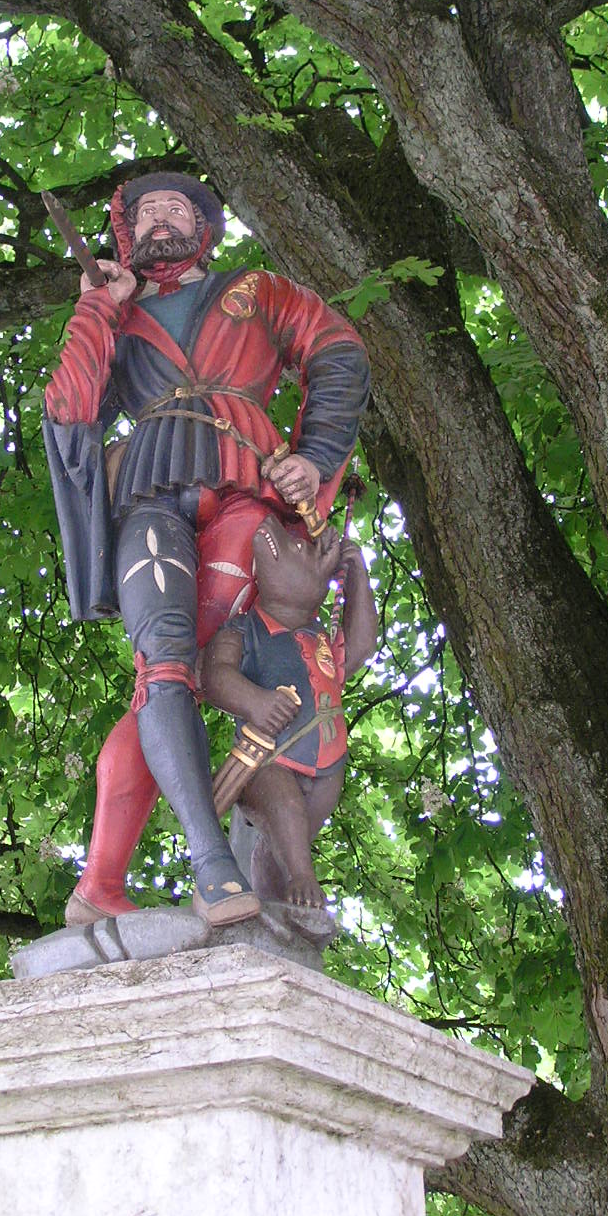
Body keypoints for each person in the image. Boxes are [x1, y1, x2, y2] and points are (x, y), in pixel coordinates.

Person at [43, 171, 369, 926]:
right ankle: (209, 868)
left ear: (205, 227)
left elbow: (339, 350)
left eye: (176, 209)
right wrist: (99, 307)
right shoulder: (117, 313)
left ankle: (103, 884)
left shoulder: (258, 291)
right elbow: (68, 409)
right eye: (145, 213)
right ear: (127, 234)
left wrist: (315, 455)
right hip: (149, 495)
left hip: (247, 494)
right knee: (163, 663)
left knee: (183, 668)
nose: (160, 220)